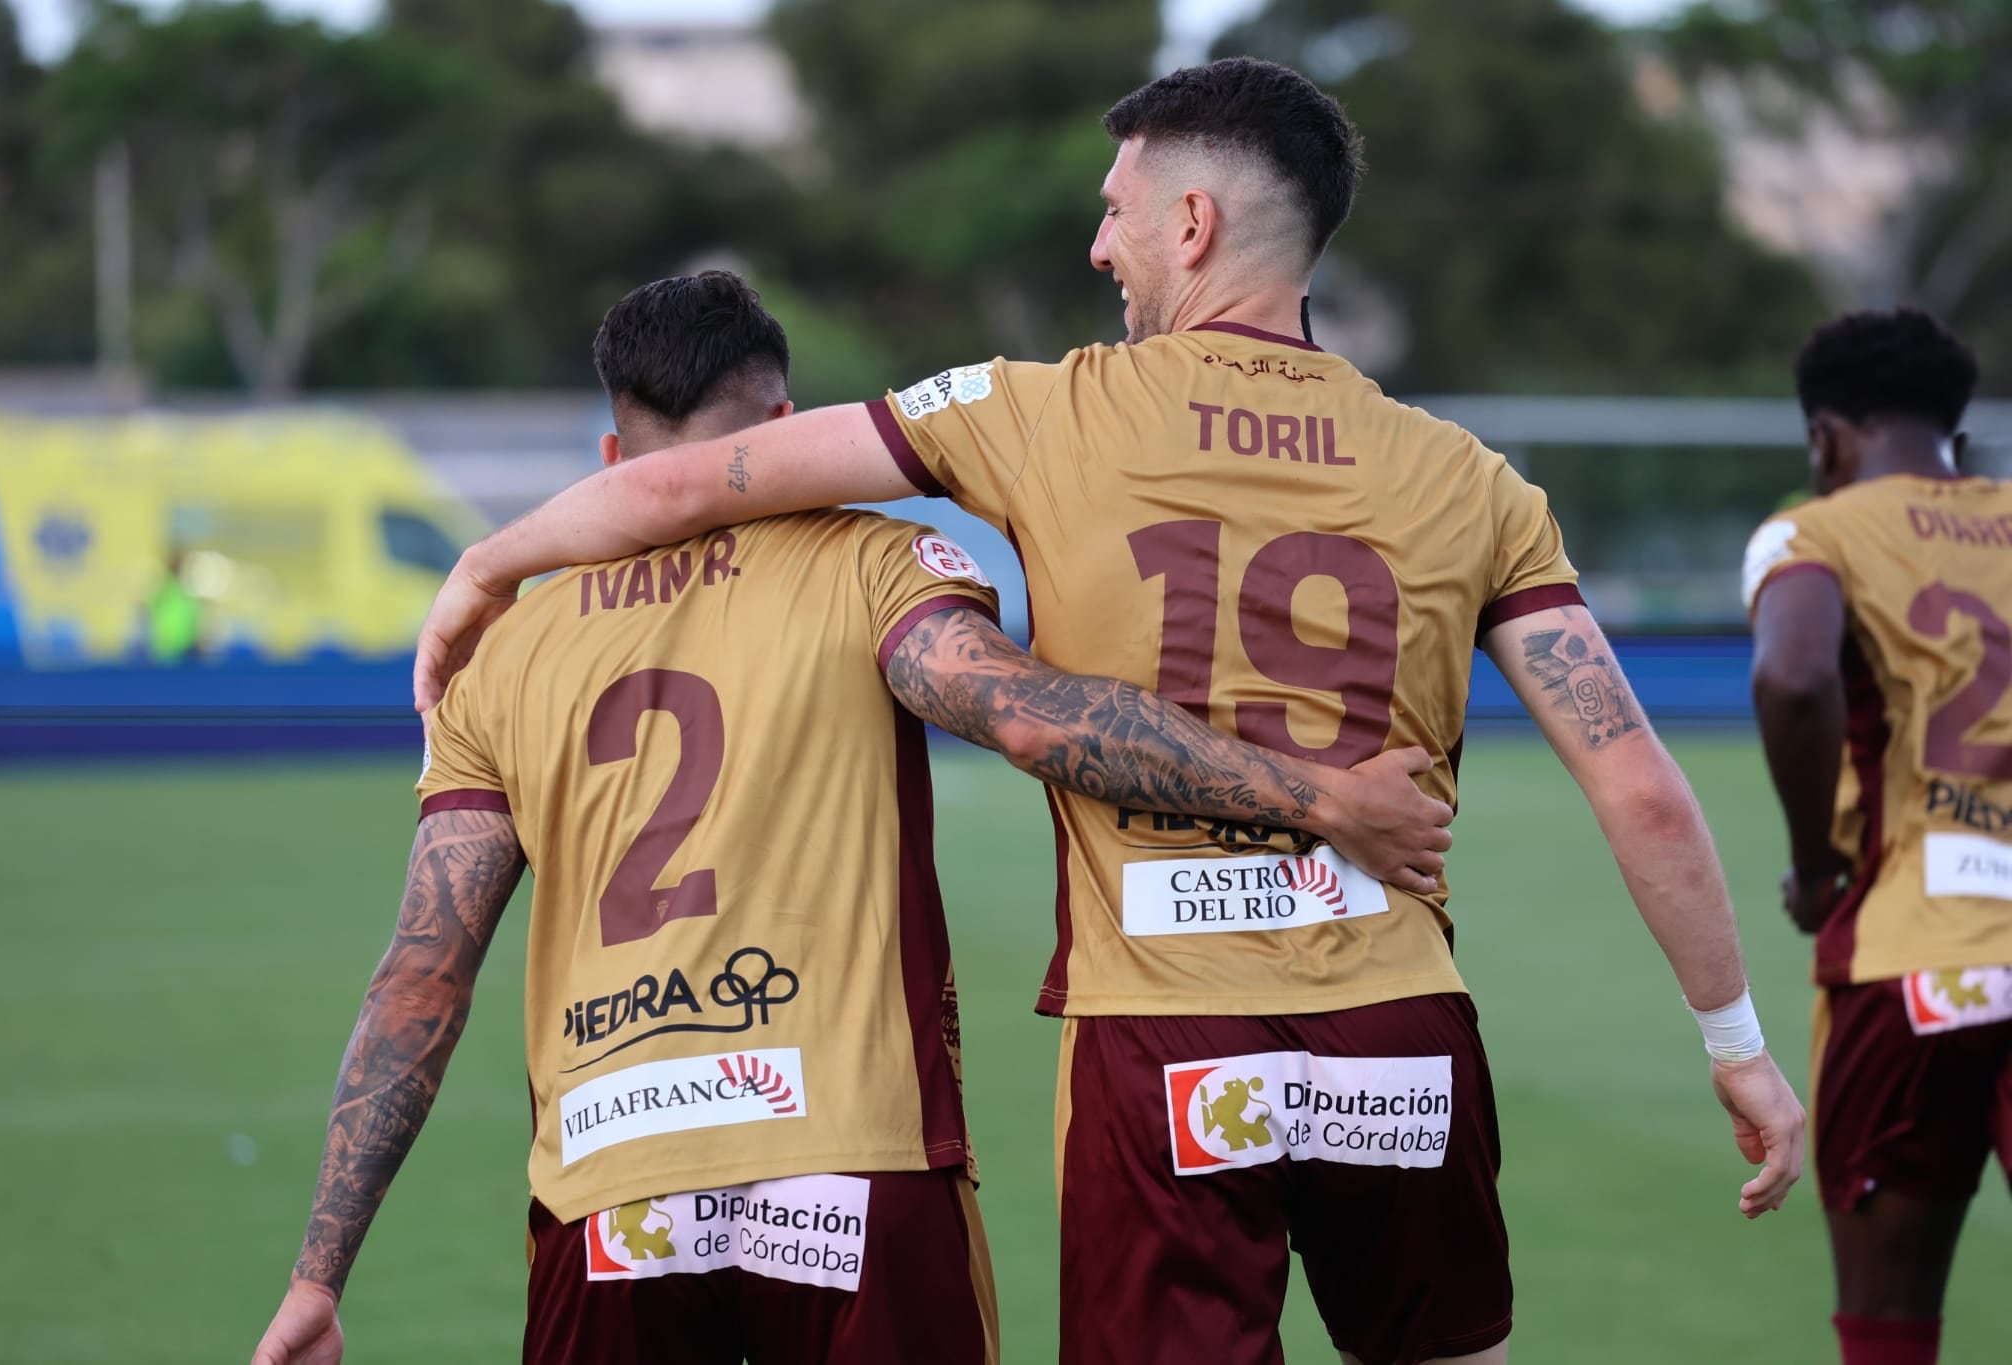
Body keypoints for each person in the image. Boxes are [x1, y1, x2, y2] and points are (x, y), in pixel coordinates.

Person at [413, 61, 1806, 1365]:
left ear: (1192, 223)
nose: (1099, 248)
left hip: (1161, 1043)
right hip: (1400, 1027)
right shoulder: (1471, 478)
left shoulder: (1039, 411)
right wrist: (1737, 1046)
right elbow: (1641, 788)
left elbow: (695, 483)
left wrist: (487, 564)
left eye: (1116, 212)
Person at [250, 271, 1453, 1365]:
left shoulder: (507, 659)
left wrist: (318, 1277)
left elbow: (422, 976)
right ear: (783, 434)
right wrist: (1320, 798)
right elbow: (1029, 718)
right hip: (858, 1174)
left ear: (616, 449)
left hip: (613, 1198)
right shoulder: (876, 566)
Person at [1745, 309, 2011, 1365]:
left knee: (1887, 1322)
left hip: (1907, 959)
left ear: (1823, 438)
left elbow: (1794, 675)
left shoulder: (1812, 529)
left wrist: (1814, 867)